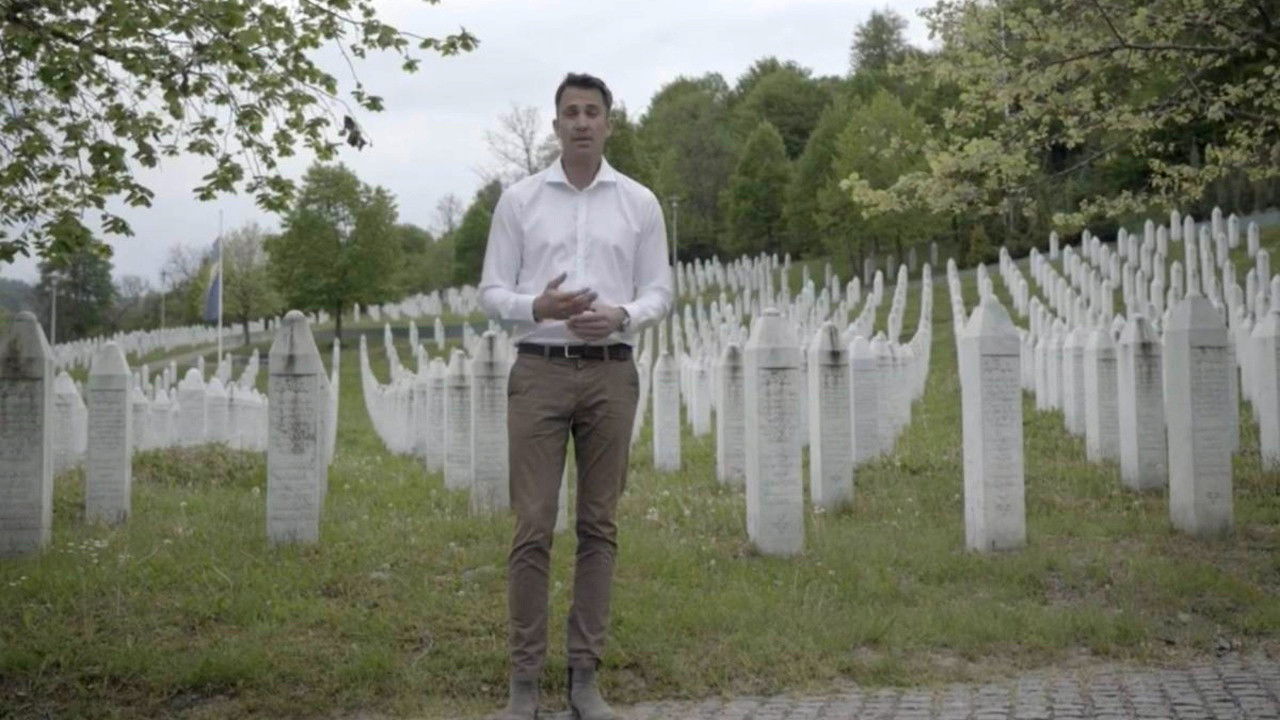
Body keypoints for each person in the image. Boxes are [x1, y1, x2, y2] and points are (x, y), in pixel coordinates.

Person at [478, 73, 673, 720]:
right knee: (533, 526)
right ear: (556, 124)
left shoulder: (640, 203)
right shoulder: (520, 201)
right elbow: (491, 292)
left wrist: (621, 315)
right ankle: (524, 682)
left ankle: (585, 677)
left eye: (593, 112)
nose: (582, 122)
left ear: (608, 124)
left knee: (599, 526)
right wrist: (538, 306)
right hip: (540, 370)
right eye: (571, 112)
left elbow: (659, 291)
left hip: (611, 372)